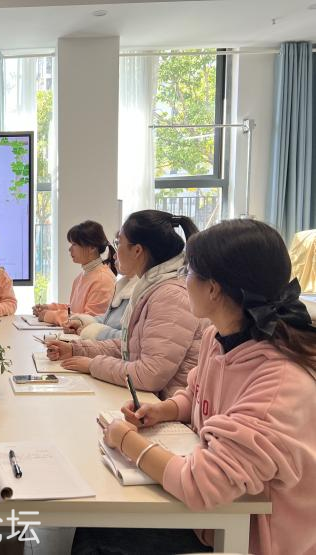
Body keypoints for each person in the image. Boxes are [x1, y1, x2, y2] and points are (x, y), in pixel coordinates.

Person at [80, 219, 316, 555]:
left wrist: (126, 441)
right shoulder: (216, 338)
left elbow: (200, 483)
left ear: (213, 288)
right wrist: (166, 409)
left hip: (250, 539)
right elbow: (197, 392)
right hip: (215, 519)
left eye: (188, 271)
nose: (183, 280)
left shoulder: (280, 381)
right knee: (93, 526)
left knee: (96, 536)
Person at [47, 210, 205, 399]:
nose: (115, 250)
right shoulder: (154, 288)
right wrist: (77, 350)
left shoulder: (170, 296)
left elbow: (150, 374)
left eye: (118, 242)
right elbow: (130, 347)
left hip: (165, 405)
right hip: (153, 401)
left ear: (137, 250)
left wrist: (92, 365)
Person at [34, 220, 116, 325]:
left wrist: (49, 315)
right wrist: (48, 308)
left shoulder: (102, 280)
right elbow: (74, 310)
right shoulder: (82, 276)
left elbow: (89, 320)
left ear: (92, 247)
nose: (70, 249)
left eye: (74, 244)